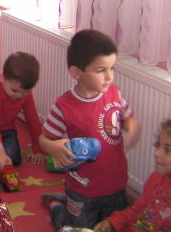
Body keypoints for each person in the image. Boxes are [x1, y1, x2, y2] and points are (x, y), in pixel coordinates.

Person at [40, 29, 142, 230]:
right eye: (101, 70)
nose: (109, 77)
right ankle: (58, 209)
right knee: (80, 228)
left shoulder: (114, 93)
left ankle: (64, 204)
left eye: (112, 68)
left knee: (115, 227)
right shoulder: (64, 106)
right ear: (77, 72)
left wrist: (133, 127)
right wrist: (53, 147)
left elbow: (129, 118)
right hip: (82, 190)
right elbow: (43, 139)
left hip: (116, 185)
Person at [94, 118, 171, 232]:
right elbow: (137, 210)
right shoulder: (156, 179)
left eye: (168, 150)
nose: (156, 153)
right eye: (158, 145)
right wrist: (113, 221)